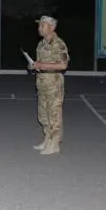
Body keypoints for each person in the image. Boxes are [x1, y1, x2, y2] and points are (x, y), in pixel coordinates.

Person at [31, 15, 69, 155]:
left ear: (52, 27)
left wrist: (42, 65)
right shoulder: (41, 44)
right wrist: (34, 66)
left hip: (54, 84)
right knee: (43, 114)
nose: (39, 28)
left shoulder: (59, 44)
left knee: (54, 114)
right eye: (39, 25)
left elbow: (63, 65)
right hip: (42, 83)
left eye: (42, 25)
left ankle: (55, 143)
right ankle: (47, 139)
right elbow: (40, 64)